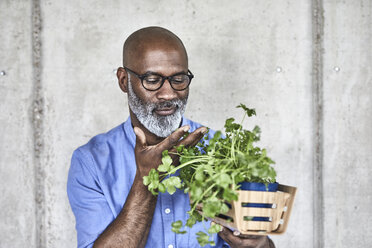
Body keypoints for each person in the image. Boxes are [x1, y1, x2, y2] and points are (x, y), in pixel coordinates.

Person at [67, 26, 275, 248]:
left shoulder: (222, 151)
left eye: (178, 79)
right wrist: (146, 180)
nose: (168, 94)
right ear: (123, 80)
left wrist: (259, 245)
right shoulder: (91, 162)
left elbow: (258, 241)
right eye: (152, 79)